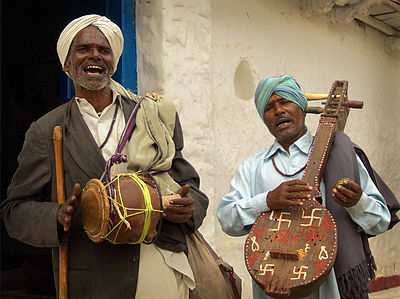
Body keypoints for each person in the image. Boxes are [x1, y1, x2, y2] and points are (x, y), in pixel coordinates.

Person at [1, 15, 209, 299]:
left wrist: (188, 209)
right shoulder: (47, 130)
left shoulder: (151, 114)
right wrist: (57, 215)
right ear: (66, 64)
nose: (95, 55)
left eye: (104, 49)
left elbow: (192, 189)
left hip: (158, 264)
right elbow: (14, 211)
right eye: (84, 49)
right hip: (94, 279)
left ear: (113, 62)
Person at [217, 75, 399, 299]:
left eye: (285, 101)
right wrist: (266, 201)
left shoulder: (340, 154)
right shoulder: (253, 166)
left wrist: (357, 203)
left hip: (335, 290)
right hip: (274, 285)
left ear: (302, 107)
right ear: (263, 118)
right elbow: (226, 218)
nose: (279, 111)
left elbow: (381, 221)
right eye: (269, 107)